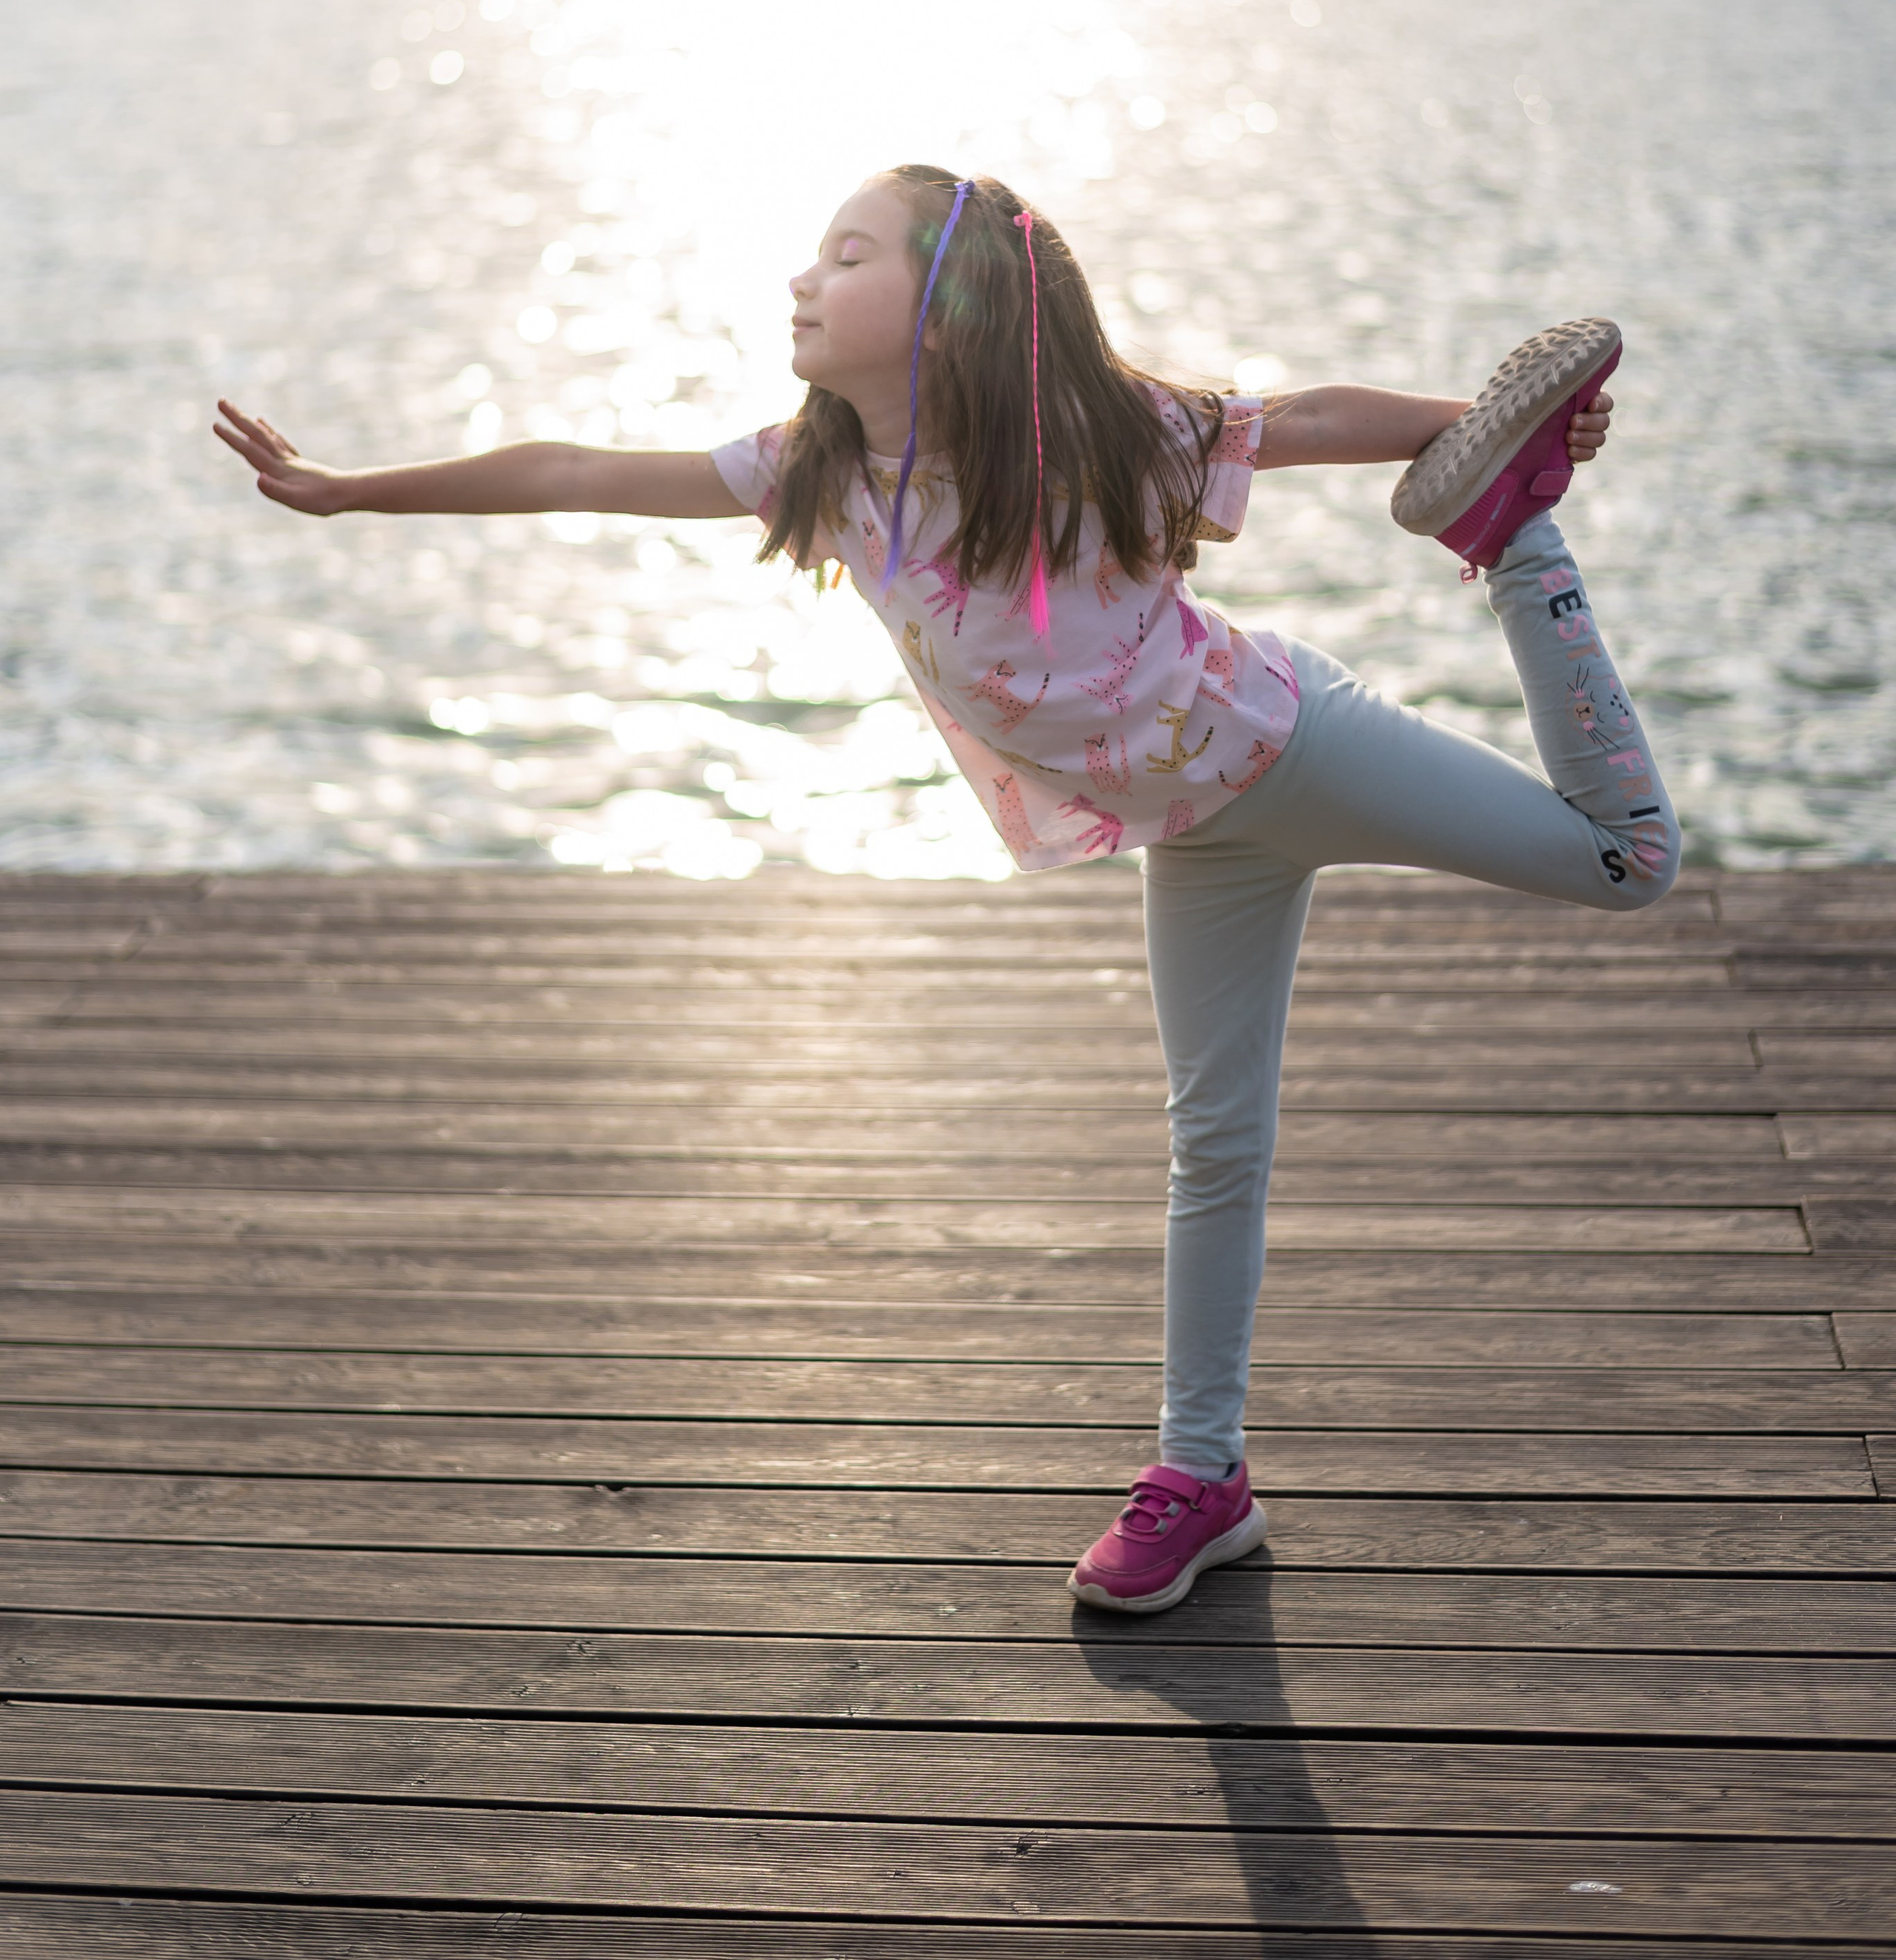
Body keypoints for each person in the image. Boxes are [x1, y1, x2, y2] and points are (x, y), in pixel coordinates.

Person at [215, 161, 1678, 1615]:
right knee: (1212, 1141)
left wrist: (1484, 438)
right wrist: (352, 494)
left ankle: (1511, 539)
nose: (801, 277)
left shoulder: (1090, 430)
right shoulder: (819, 478)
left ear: (946, 303)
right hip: (1195, 835)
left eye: (844, 254)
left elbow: (1292, 424)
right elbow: (573, 473)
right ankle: (1199, 1475)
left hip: (1292, 747)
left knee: (1624, 863)